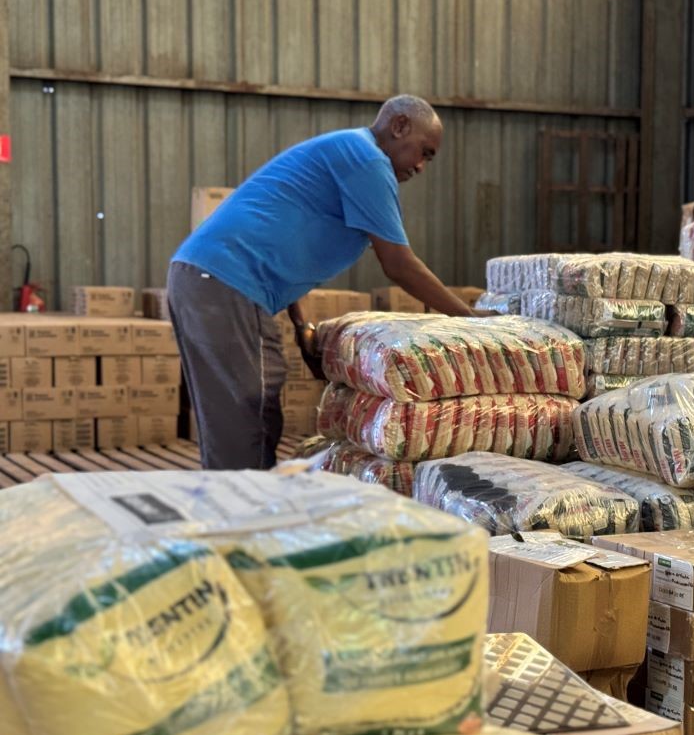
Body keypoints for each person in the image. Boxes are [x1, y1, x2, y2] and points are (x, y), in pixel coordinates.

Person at [168, 94, 480, 470]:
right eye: (425, 153)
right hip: (223, 282)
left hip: (216, 281)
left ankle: (246, 508)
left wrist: (302, 327)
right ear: (399, 127)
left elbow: (280, 238)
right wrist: (471, 320)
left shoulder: (351, 153)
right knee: (244, 418)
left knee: (253, 410)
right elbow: (399, 264)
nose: (421, 166)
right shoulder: (367, 160)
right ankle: (241, 516)